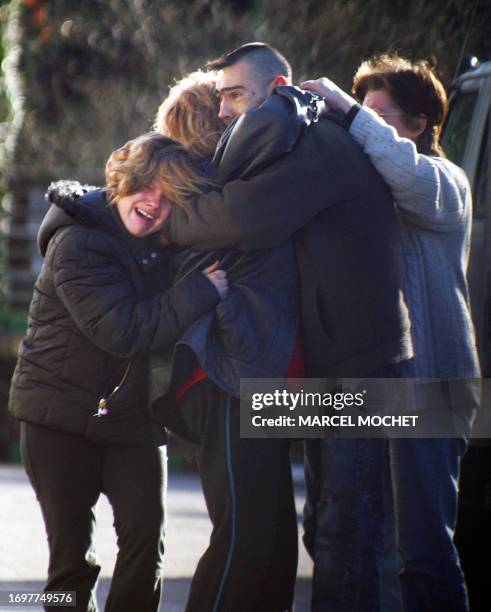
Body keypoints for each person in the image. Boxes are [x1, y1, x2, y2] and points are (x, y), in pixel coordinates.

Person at [8, 133, 227, 612]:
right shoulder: (78, 240)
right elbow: (121, 330)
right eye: (147, 185)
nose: (154, 202)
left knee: (146, 545)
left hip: (132, 420)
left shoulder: (167, 248)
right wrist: (199, 292)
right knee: (72, 565)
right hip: (57, 417)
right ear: (120, 178)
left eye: (170, 197)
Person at [300, 54, 481, 612]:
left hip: (433, 385)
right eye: (363, 110)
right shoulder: (354, 187)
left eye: (379, 113)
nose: (365, 123)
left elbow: (406, 174)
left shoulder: (445, 183)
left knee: (423, 552)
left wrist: (350, 113)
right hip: (358, 381)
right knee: (341, 536)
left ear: (419, 125)